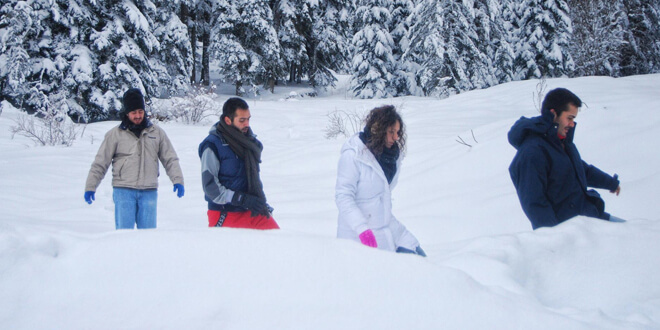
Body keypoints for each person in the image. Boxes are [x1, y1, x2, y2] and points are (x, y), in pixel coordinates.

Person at [508, 87, 622, 229]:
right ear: (553, 114)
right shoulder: (532, 152)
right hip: (573, 233)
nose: (572, 124)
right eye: (569, 118)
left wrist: (611, 183)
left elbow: (582, 170)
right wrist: (557, 240)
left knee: (638, 232)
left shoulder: (560, 142)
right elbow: (535, 204)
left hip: (590, 217)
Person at [84, 88, 185, 229]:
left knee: (148, 237)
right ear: (127, 113)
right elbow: (100, 163)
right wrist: (91, 186)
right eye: (134, 112)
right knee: (123, 236)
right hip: (123, 190)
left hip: (148, 191)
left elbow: (170, 159)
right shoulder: (115, 135)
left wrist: (178, 180)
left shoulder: (157, 133)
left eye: (140, 112)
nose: (138, 116)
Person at [335, 105, 425, 256]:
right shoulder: (354, 155)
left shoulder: (391, 158)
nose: (396, 137)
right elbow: (343, 197)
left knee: (419, 256)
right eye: (391, 132)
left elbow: (380, 200)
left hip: (385, 228)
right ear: (378, 130)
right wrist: (362, 229)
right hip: (355, 238)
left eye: (397, 132)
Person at [198, 97, 279, 229]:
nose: (247, 124)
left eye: (248, 119)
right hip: (224, 213)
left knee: (277, 239)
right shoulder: (212, 145)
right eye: (242, 120)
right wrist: (242, 199)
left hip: (250, 209)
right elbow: (210, 188)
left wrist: (258, 202)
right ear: (228, 120)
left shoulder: (248, 143)